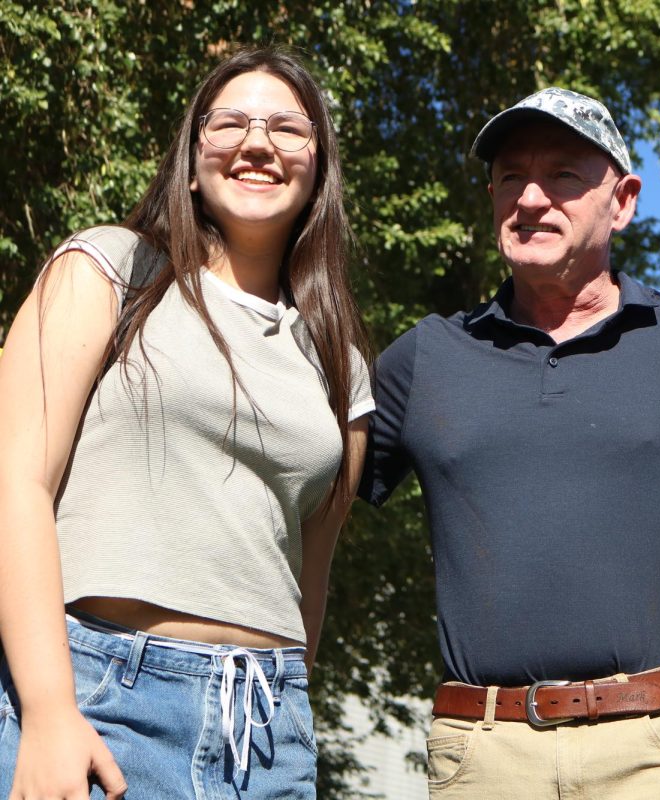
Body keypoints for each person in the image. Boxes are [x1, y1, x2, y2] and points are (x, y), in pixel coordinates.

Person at [360, 87, 660, 798]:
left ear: (623, 200)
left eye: (564, 175)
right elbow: (297, 485)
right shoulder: (425, 358)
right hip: (482, 756)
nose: (532, 198)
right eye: (511, 177)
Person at [0, 46, 373, 799]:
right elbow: (14, 484)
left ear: (318, 162)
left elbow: (312, 577)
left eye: (287, 128)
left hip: (269, 730)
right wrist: (46, 709)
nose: (257, 142)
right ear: (194, 155)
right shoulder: (110, 269)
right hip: (102, 699)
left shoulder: (342, 364)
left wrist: (288, 708)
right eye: (229, 122)